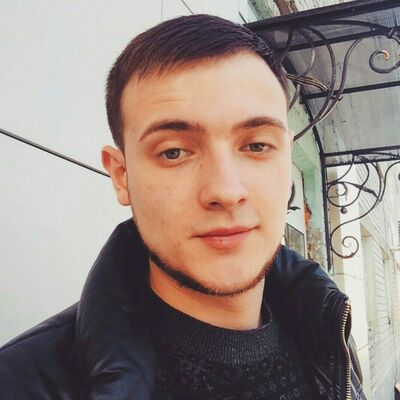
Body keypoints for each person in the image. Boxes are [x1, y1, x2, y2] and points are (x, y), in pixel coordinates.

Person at [0, 14, 366, 400]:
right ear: (122, 176)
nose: (226, 191)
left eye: (257, 145)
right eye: (174, 152)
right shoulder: (20, 384)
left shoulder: (327, 329)